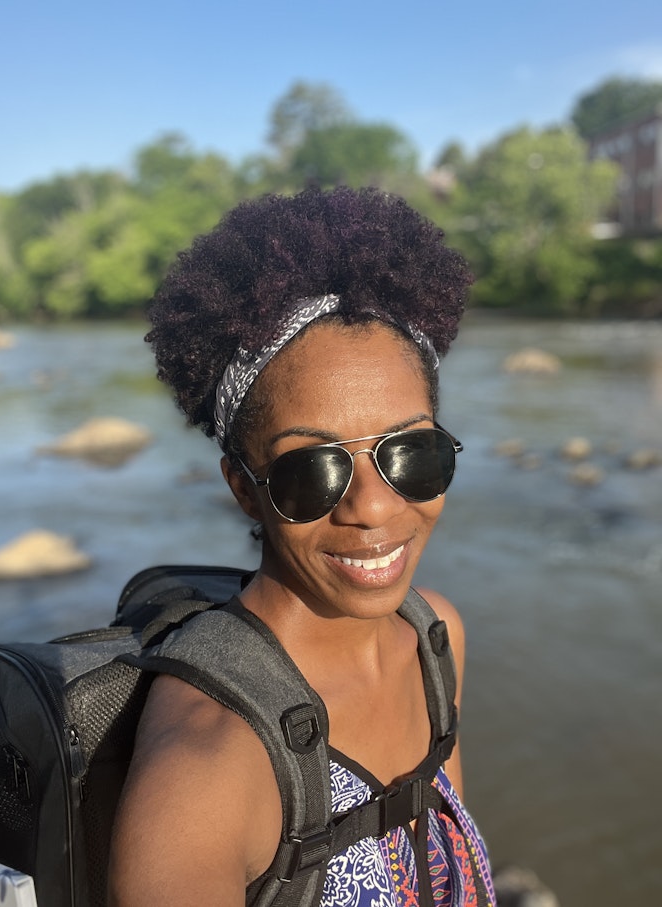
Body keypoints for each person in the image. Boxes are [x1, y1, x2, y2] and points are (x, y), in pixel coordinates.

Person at [108, 186, 496, 906]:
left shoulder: (436, 638)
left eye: (411, 451)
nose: (375, 506)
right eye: (312, 468)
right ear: (245, 487)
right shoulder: (209, 762)